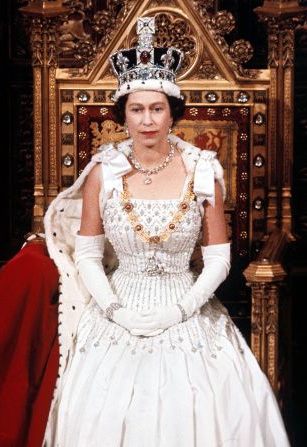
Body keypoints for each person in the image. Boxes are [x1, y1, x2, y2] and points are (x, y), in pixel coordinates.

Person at [43, 16, 290, 447]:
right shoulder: (104, 171)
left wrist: (180, 310)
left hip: (185, 304)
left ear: (172, 111)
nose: (148, 120)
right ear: (123, 115)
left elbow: (217, 258)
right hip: (119, 305)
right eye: (137, 109)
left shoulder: (202, 169)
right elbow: (86, 254)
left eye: (157, 108)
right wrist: (114, 310)